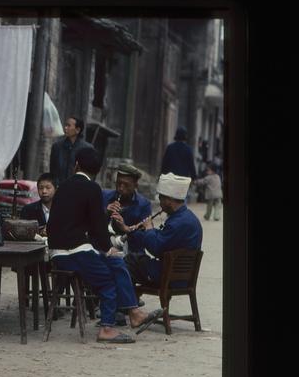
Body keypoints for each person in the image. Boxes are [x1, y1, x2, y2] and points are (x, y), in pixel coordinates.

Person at [46, 147, 163, 343]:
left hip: (59, 252)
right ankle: (107, 328)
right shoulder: (93, 189)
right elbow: (97, 228)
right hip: (74, 252)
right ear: (98, 171)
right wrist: (107, 247)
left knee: (117, 263)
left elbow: (57, 225)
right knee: (108, 282)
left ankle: (134, 313)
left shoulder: (63, 187)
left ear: (76, 165)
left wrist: (106, 247)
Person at [123, 173, 203, 287]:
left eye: (161, 198)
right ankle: (130, 299)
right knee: (135, 259)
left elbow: (155, 248)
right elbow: (164, 237)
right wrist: (134, 231)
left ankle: (127, 301)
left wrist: (149, 229)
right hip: (179, 275)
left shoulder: (178, 223)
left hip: (169, 275)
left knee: (129, 261)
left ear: (169, 200)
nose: (160, 203)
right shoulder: (186, 217)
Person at [102, 163, 152, 254]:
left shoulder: (144, 205)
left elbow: (144, 239)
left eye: (126, 185)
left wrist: (126, 228)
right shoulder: (105, 196)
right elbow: (91, 225)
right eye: (118, 183)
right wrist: (105, 213)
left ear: (135, 186)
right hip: (105, 249)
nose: (121, 188)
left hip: (131, 253)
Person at [48, 116, 94, 184]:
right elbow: (52, 170)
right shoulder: (57, 146)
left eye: (69, 126)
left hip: (78, 187)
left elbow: (90, 172)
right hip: (59, 187)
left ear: (77, 130)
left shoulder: (87, 148)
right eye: (65, 125)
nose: (65, 128)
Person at [20, 172, 57, 237]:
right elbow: (23, 232)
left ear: (56, 189)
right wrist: (39, 232)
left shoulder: (62, 210)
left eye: (48, 188)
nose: (44, 191)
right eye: (41, 188)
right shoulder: (28, 210)